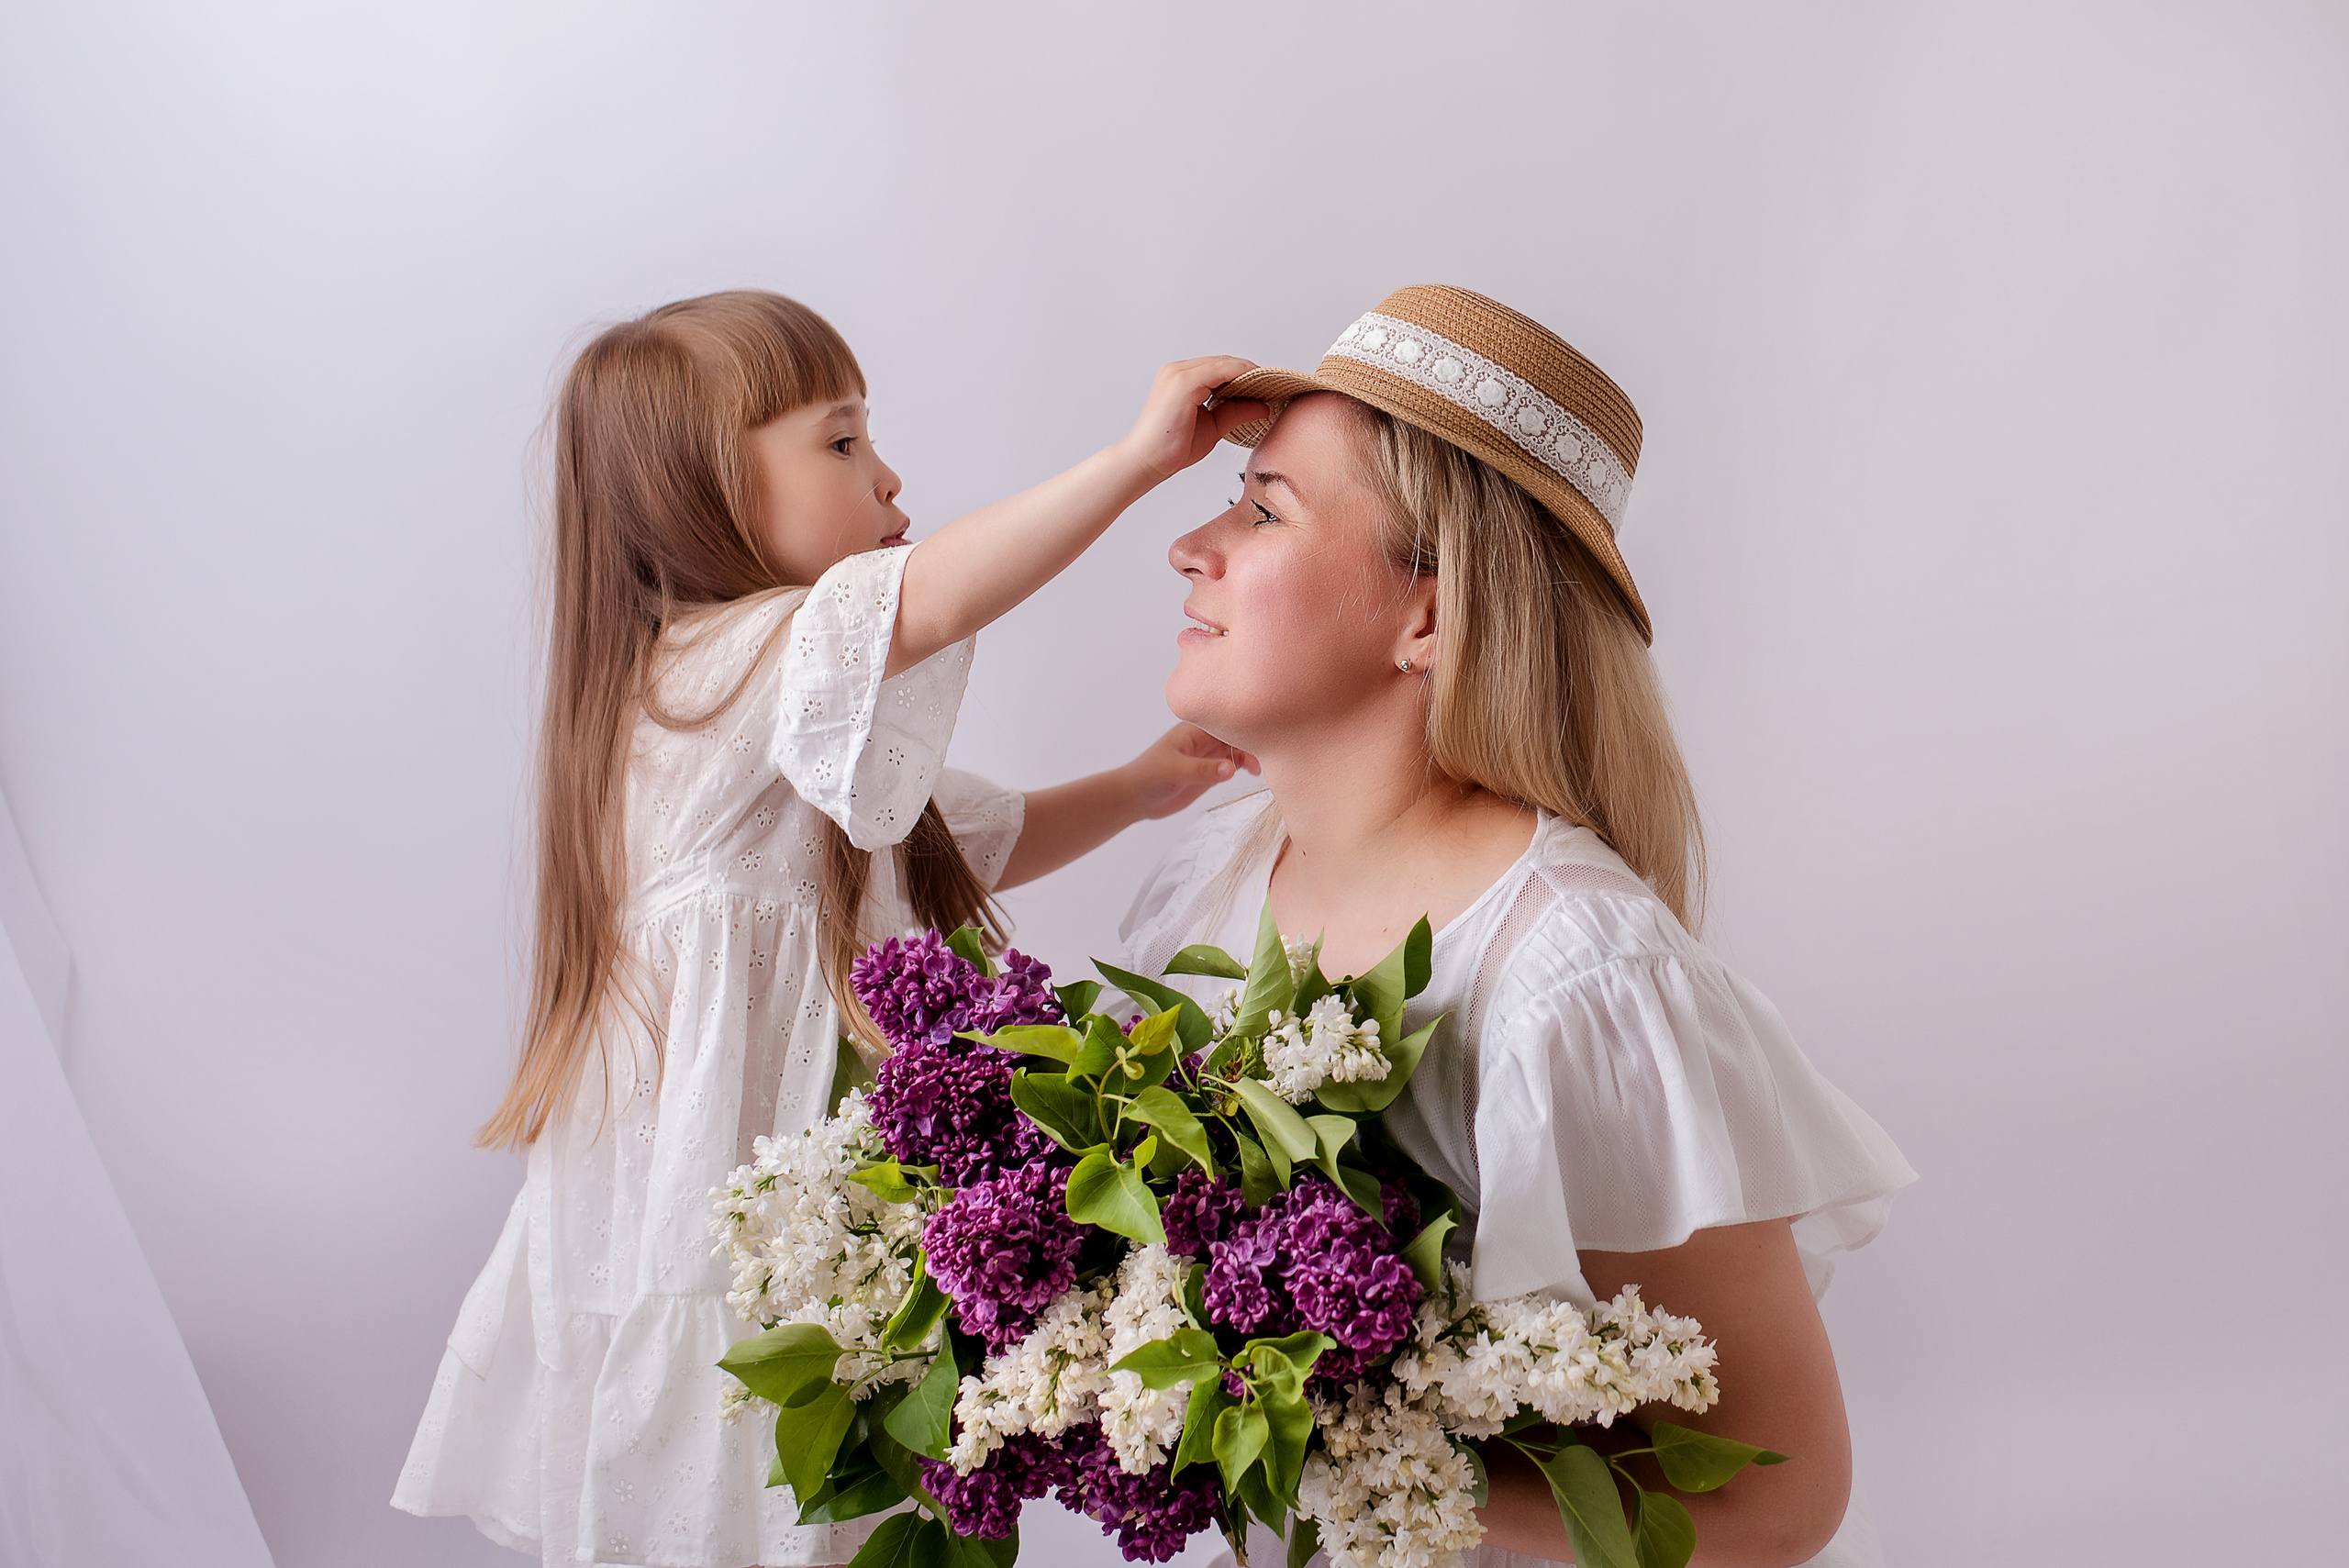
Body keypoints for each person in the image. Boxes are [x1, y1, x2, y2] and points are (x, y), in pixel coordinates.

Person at [393, 290, 1263, 1567]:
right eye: (841, 441)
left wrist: (1137, 789)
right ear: (708, 490)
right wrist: (1135, 461)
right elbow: (935, 596)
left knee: (796, 1492)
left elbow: (966, 837)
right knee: (733, 1481)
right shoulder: (716, 671)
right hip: (711, 1222)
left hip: (766, 1227)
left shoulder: (755, 713)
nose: (889, 471)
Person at [1118, 286, 1915, 1568]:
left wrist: (1363, 1477)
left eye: (1263, 509)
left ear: (1429, 613)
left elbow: (1781, 1494)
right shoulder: (1214, 878)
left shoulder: (1577, 981)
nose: (1191, 546)